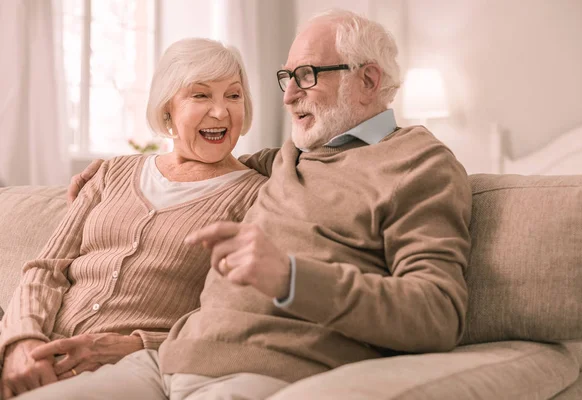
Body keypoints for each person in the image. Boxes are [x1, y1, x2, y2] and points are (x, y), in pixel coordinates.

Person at [24, 9, 472, 400]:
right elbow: (201, 164)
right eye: (286, 77)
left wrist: (291, 278)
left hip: (263, 371)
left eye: (307, 76)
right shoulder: (289, 157)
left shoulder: (418, 165)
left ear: (368, 81)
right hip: (169, 362)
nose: (288, 95)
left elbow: (436, 313)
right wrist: (115, 173)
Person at [0, 38, 267, 399]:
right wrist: (20, 341)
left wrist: (134, 345)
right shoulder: (112, 172)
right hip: (33, 343)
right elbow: (46, 268)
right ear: (167, 108)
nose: (221, 112)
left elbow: (231, 321)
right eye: (201, 95)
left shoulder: (257, 196)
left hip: (124, 370)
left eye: (233, 96)